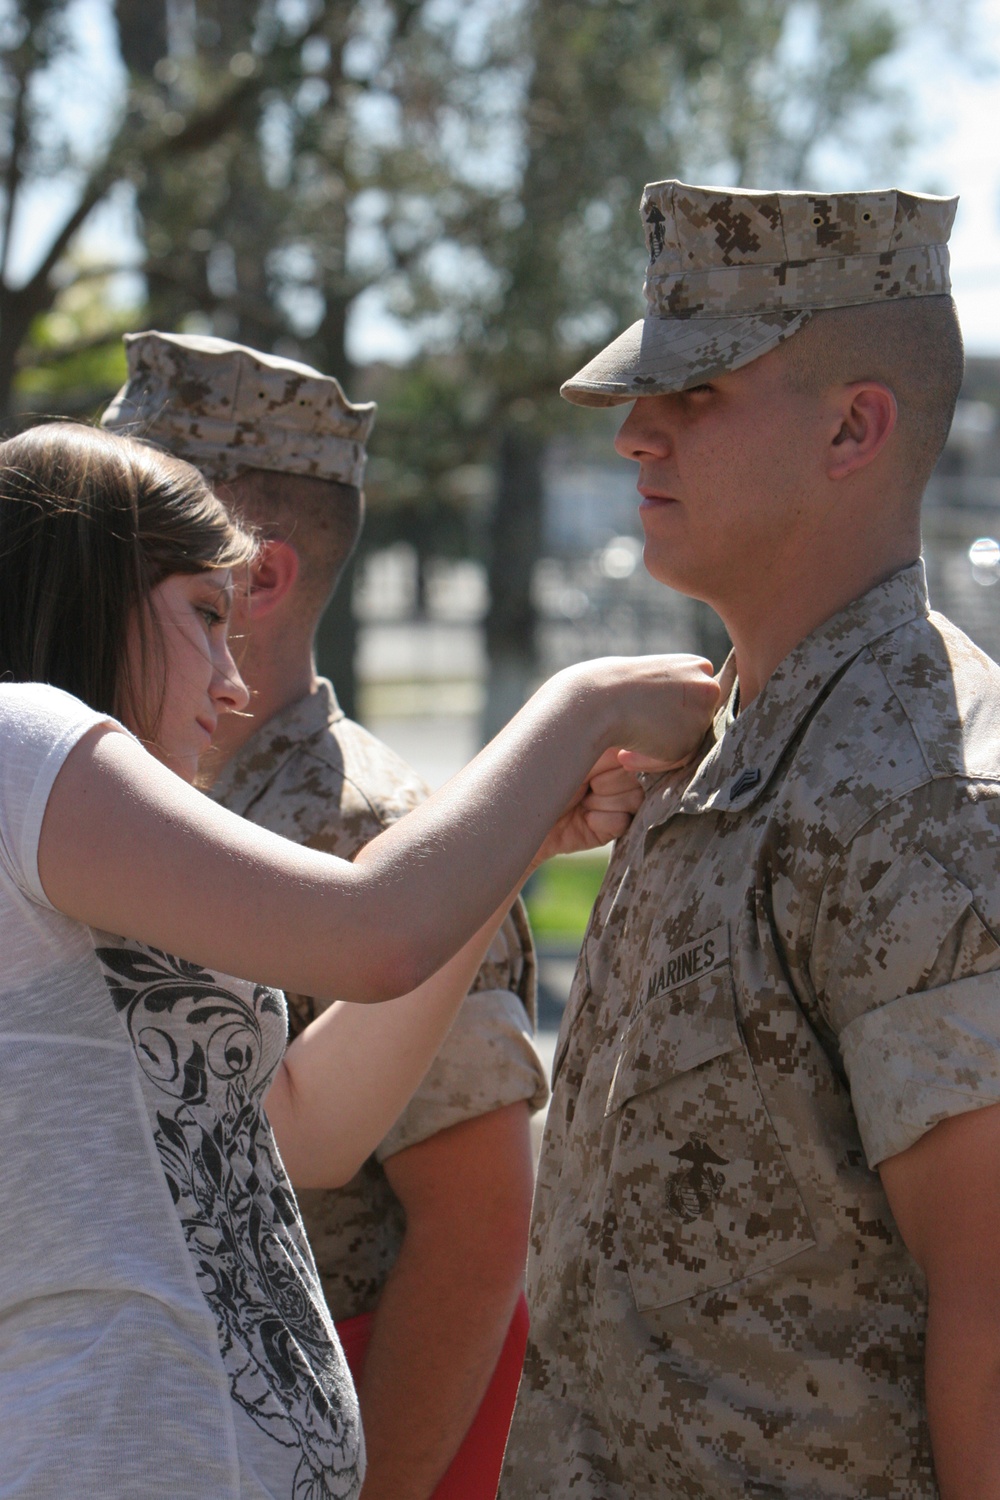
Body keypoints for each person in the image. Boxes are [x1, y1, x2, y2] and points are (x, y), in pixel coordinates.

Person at [0, 419, 719, 1499]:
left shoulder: (65, 830)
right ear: (83, 588)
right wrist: (580, 707)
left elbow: (305, 1127)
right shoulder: (19, 741)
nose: (233, 683)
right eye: (204, 615)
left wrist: (515, 842)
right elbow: (371, 930)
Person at [500, 181, 1000, 1499]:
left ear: (854, 426)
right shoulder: (718, 741)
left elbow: (994, 1305)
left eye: (699, 393)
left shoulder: (932, 804)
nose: (636, 437)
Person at [102, 331, 547, 1500]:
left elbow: (475, 1232)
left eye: (126, 535)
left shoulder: (387, 840)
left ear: (258, 578)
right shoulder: (124, 796)